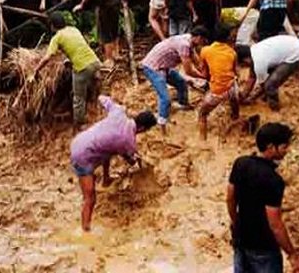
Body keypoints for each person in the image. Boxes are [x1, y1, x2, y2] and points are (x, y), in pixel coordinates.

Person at [70, 95, 157, 231]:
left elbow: (102, 98)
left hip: (79, 140)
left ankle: (106, 179)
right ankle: (85, 231)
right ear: (143, 129)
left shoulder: (119, 112)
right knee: (90, 198)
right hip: (82, 155)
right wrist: (139, 161)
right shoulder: (128, 142)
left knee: (109, 151)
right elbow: (131, 159)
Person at [227, 123, 299, 273]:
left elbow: (230, 198)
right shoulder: (273, 180)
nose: (286, 151)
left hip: (241, 241)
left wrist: (236, 222)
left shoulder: (241, 163)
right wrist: (292, 254)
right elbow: (275, 224)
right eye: (284, 146)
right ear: (271, 147)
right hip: (264, 248)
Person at [33, 13, 101, 126]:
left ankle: (80, 124)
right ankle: (95, 102)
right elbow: (79, 46)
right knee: (88, 81)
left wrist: (36, 70)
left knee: (78, 98)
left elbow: (48, 57)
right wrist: (69, 60)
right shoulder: (73, 29)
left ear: (52, 25)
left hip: (82, 68)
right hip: (95, 62)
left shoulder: (57, 37)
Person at [141, 26, 211, 134]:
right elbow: (189, 71)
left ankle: (183, 105)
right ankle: (162, 126)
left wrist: (206, 71)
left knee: (181, 83)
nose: (203, 43)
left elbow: (196, 61)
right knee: (165, 98)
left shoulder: (189, 39)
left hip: (165, 66)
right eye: (203, 40)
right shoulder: (184, 44)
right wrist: (204, 77)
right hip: (153, 67)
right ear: (198, 37)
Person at [238, 35, 299, 111]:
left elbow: (263, 85)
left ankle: (275, 108)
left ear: (245, 59)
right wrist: (243, 95)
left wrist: (251, 98)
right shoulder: (254, 50)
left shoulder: (259, 62)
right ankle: (266, 96)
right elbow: (252, 78)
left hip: (296, 54)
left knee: (270, 85)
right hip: (291, 44)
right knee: (268, 82)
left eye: (242, 64)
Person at [198, 23, 240, 140]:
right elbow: (237, 73)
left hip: (217, 91)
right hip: (232, 87)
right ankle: (236, 118)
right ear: (228, 38)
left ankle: (203, 140)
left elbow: (204, 73)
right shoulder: (232, 52)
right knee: (234, 99)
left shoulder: (205, 51)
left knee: (202, 114)